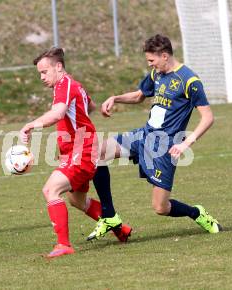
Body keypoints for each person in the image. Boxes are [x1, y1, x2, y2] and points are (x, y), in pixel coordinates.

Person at [87, 34, 221, 241]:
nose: (150, 64)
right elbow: (140, 95)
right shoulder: (156, 74)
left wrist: (186, 143)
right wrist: (115, 98)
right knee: (97, 152)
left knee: (160, 207)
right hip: (144, 135)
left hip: (165, 147)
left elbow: (208, 117)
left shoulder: (190, 81)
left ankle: (197, 213)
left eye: (152, 60)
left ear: (165, 56)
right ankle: (109, 215)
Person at [20, 47, 131, 259]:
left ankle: (63, 244)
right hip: (76, 149)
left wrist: (32, 124)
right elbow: (89, 104)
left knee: (50, 190)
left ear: (58, 67)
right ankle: (121, 229)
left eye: (44, 72)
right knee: (76, 200)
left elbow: (58, 113)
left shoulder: (64, 85)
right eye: (40, 73)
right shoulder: (72, 84)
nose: (42, 77)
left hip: (82, 150)